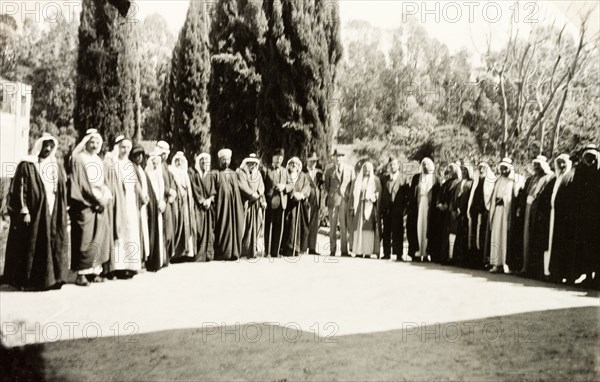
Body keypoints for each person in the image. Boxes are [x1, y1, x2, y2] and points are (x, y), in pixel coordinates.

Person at [3, 134, 68, 291]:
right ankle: (29, 280)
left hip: (53, 209)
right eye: (45, 145)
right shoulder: (27, 165)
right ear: (39, 146)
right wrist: (24, 209)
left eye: (51, 146)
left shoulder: (56, 165)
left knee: (52, 241)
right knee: (33, 243)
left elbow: (61, 187)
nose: (47, 149)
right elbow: (20, 188)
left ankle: (53, 279)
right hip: (34, 211)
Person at [69, 129, 113, 286]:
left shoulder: (99, 160)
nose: (94, 145)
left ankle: (94, 272)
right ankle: (81, 274)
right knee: (84, 239)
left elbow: (105, 182)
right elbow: (80, 184)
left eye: (97, 143)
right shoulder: (78, 159)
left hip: (100, 203)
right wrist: (95, 200)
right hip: (85, 204)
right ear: (85, 143)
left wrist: (105, 197)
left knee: (99, 238)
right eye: (91, 142)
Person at [104, 136, 142, 279]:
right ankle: (118, 267)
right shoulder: (112, 163)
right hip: (118, 202)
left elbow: (134, 184)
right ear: (117, 148)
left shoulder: (129, 164)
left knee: (130, 231)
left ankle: (130, 266)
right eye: (122, 147)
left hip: (130, 202)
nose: (125, 150)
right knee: (119, 231)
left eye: (127, 147)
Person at [515, 155, 553, 278]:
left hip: (539, 211)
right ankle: (525, 268)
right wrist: (521, 207)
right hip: (528, 209)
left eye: (538, 165)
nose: (536, 167)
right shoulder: (530, 179)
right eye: (535, 165)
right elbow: (524, 194)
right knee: (526, 238)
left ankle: (536, 270)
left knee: (537, 239)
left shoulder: (549, 178)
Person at [543, 154, 575, 282]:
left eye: (564, 163)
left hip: (563, 219)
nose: (561, 166)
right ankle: (551, 272)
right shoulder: (555, 179)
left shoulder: (570, 178)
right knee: (551, 244)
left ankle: (561, 274)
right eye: (559, 163)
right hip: (552, 216)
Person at [572, 144, 600, 288]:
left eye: (593, 157)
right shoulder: (581, 171)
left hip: (597, 219)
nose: (591, 160)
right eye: (588, 157)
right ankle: (588, 276)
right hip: (584, 217)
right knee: (586, 249)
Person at [488, 158, 523, 274]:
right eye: (502, 168)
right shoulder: (498, 180)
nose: (503, 170)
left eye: (505, 168)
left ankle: (506, 264)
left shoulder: (515, 180)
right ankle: (496, 264)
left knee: (505, 237)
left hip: (508, 213)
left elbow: (517, 196)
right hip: (497, 211)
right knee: (496, 236)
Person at [214, 148, 245, 261]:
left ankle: (234, 253)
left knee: (235, 228)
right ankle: (224, 253)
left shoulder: (234, 173)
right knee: (223, 228)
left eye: (227, 160)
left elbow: (240, 189)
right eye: (223, 160)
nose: (226, 162)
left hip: (233, 208)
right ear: (219, 160)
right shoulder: (216, 173)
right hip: (222, 208)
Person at [407, 158, 439, 262]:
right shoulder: (417, 177)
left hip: (430, 208)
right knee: (417, 228)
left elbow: (437, 194)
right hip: (418, 206)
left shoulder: (435, 178)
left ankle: (426, 253)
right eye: (423, 165)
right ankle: (417, 252)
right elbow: (412, 193)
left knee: (427, 229)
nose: (425, 167)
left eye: (427, 165)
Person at [324, 149, 355, 257]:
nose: (338, 158)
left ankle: (344, 250)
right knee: (332, 226)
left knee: (343, 226)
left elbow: (353, 185)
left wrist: (348, 197)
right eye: (337, 156)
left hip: (345, 200)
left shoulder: (350, 169)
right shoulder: (329, 170)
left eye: (341, 156)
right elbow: (327, 186)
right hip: (333, 200)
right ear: (334, 157)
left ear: (344, 157)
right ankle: (332, 250)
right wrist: (333, 195)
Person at [188, 153, 217, 262]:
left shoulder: (210, 175)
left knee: (209, 231)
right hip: (198, 207)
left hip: (208, 207)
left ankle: (208, 255)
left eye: (206, 161)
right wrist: (202, 201)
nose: (205, 163)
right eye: (202, 161)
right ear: (199, 162)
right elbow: (195, 190)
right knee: (199, 230)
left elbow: (213, 191)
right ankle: (198, 255)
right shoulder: (194, 175)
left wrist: (209, 200)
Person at [237, 153, 266, 258]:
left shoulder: (258, 174)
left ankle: (252, 250)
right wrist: (251, 194)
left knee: (256, 226)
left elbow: (262, 187)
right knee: (244, 226)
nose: (252, 165)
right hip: (245, 203)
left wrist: (260, 196)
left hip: (256, 204)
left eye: (254, 163)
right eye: (250, 163)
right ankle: (241, 250)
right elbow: (242, 186)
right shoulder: (241, 172)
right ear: (246, 163)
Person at [169, 152, 197, 262]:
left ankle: (187, 252)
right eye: (177, 161)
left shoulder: (185, 174)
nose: (179, 163)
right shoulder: (172, 174)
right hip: (177, 205)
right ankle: (176, 254)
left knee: (187, 228)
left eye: (181, 161)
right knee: (178, 227)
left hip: (186, 206)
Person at [467, 162, 495, 268]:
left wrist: (484, 208)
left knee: (483, 236)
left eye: (483, 167)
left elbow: (489, 197)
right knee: (474, 235)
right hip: (475, 212)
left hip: (484, 212)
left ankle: (483, 260)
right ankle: (474, 260)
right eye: (480, 167)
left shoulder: (490, 181)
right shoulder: (477, 181)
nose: (481, 169)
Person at [351, 161, 382, 258]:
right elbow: (354, 193)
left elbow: (378, 193)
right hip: (359, 206)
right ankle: (359, 251)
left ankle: (367, 251)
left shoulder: (375, 180)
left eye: (369, 169)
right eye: (365, 169)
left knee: (368, 228)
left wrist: (371, 197)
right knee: (358, 228)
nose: (367, 171)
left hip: (370, 207)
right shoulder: (358, 180)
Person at [281, 157, 311, 256]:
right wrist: (293, 194)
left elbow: (307, 187)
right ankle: (287, 248)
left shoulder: (303, 176)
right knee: (288, 225)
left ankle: (297, 248)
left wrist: (301, 195)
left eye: (296, 164)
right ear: (288, 165)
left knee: (300, 226)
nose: (294, 165)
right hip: (288, 204)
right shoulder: (285, 175)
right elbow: (286, 186)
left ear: (299, 166)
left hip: (300, 206)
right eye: (292, 163)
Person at [144, 149, 168, 271]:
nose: (155, 165)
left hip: (159, 207)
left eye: (156, 163)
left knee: (159, 232)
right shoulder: (146, 174)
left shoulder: (159, 174)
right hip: (149, 209)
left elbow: (162, 191)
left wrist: (163, 202)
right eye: (153, 162)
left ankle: (160, 260)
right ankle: (151, 261)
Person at [380, 157, 407, 261]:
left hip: (398, 210)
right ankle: (386, 253)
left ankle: (399, 254)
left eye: (394, 164)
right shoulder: (384, 178)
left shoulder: (403, 178)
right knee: (386, 231)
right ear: (388, 166)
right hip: (387, 210)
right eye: (391, 165)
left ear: (398, 165)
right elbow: (382, 193)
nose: (392, 166)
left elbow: (406, 195)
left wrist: (404, 209)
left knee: (398, 232)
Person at [262, 148, 287, 257]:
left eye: (281, 159)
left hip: (282, 202)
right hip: (270, 202)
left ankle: (275, 252)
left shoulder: (285, 171)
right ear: (273, 158)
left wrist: (284, 186)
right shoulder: (266, 170)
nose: (279, 161)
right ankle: (267, 251)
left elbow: (291, 185)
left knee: (279, 227)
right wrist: (263, 200)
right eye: (277, 159)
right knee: (268, 227)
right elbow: (262, 187)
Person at [436, 163, 462, 264]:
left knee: (452, 235)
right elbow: (440, 196)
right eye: (449, 169)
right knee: (444, 235)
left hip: (453, 212)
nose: (449, 171)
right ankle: (443, 256)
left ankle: (451, 257)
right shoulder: (446, 183)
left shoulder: (459, 183)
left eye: (451, 169)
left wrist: (450, 207)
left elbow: (456, 198)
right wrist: (439, 204)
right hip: (444, 213)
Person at [130, 145, 151, 268]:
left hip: (143, 203)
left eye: (141, 155)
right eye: (136, 155)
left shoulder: (141, 169)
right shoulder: (132, 168)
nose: (139, 157)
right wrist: (142, 196)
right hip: (136, 203)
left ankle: (143, 257)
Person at [156, 141, 177, 260]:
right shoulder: (156, 164)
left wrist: (171, 191)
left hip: (168, 201)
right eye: (162, 153)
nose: (164, 156)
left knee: (168, 229)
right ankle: (161, 258)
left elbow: (170, 180)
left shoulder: (165, 165)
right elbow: (158, 183)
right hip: (160, 201)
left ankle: (166, 257)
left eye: (166, 154)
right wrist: (168, 191)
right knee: (161, 230)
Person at [453, 162, 474, 266]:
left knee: (465, 236)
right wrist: (456, 207)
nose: (464, 172)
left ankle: (465, 260)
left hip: (466, 212)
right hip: (459, 212)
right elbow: (457, 197)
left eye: (466, 170)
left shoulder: (471, 182)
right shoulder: (459, 182)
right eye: (462, 170)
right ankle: (458, 259)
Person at [305, 152, 324, 255]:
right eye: (311, 161)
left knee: (314, 224)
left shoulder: (319, 173)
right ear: (307, 161)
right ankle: (303, 247)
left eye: (315, 161)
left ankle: (312, 248)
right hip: (306, 200)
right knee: (305, 223)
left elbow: (321, 187)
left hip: (316, 201)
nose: (313, 163)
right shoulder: (303, 172)